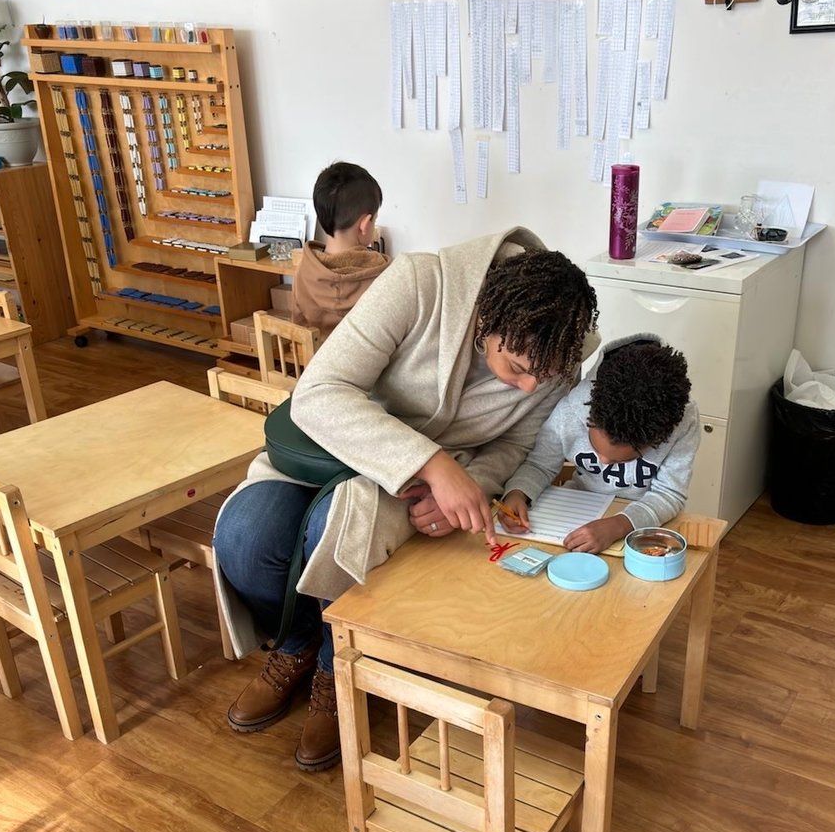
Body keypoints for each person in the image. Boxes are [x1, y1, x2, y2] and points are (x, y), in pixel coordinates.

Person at [213, 228, 598, 773]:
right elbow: (320, 392)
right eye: (515, 368)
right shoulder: (421, 282)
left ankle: (333, 666)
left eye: (546, 376)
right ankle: (295, 642)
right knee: (246, 541)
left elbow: (517, 442)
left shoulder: (557, 350)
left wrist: (472, 485)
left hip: (411, 488)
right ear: (486, 320)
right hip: (338, 445)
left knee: (333, 532)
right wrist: (431, 463)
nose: (531, 388)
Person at [498, 334, 699, 553]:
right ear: (590, 416)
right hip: (576, 513)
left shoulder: (681, 422)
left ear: (657, 439)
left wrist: (619, 525)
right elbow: (540, 465)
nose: (603, 461)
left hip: (646, 524)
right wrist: (518, 493)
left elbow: (670, 494)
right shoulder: (573, 408)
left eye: (621, 459)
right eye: (597, 449)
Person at [291, 160, 390, 336]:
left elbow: (298, 325)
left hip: (318, 362)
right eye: (374, 220)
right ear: (365, 225)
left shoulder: (304, 271)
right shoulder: (383, 276)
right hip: (370, 364)